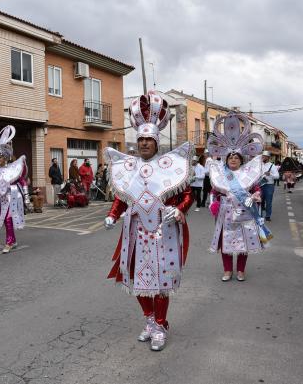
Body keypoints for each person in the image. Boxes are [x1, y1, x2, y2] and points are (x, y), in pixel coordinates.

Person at [104, 91, 193, 351]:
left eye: (148, 140)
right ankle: (150, 322)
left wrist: (179, 211)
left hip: (163, 232)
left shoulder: (170, 165)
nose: (144, 144)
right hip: (135, 232)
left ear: (156, 143)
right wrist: (111, 214)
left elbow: (187, 194)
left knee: (161, 281)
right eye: (140, 140)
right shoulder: (128, 167)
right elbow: (122, 196)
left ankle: (162, 325)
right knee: (137, 280)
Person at [206, 112, 273, 282]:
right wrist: (213, 203)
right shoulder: (220, 174)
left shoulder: (248, 174)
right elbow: (213, 192)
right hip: (225, 213)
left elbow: (257, 189)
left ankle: (241, 271)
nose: (233, 159)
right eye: (230, 157)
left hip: (245, 212)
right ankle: (227, 270)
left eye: (236, 157)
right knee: (225, 244)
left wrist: (257, 195)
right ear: (226, 159)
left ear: (241, 160)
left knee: (244, 244)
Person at [0, 125, 29, 253]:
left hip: (12, 198)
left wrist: (26, 198)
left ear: (6, 157)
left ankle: (9, 243)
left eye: (1, 157)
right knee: (5, 221)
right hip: (0, 199)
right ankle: (13, 240)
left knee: (8, 219)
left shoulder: (13, 168)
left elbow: (22, 180)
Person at [260, 151, 279, 221]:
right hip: (260, 185)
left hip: (269, 186)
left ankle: (268, 216)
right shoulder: (259, 165)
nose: (263, 157)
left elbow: (277, 176)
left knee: (268, 202)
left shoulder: (272, 166)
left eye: (264, 156)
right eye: (262, 156)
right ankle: (260, 215)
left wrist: (270, 174)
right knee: (260, 201)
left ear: (268, 157)